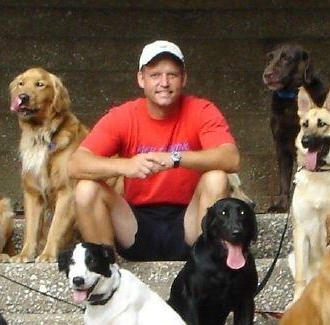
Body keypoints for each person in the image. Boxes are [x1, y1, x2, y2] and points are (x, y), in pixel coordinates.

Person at [68, 40, 241, 261]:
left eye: (172, 75)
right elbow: (75, 164)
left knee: (216, 178)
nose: (164, 82)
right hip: (136, 223)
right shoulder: (123, 115)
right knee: (86, 189)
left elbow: (231, 158)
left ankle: (209, 265)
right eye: (155, 75)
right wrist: (125, 165)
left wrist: (175, 158)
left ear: (184, 79)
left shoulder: (202, 110)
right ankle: (105, 273)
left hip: (189, 220)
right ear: (141, 79)